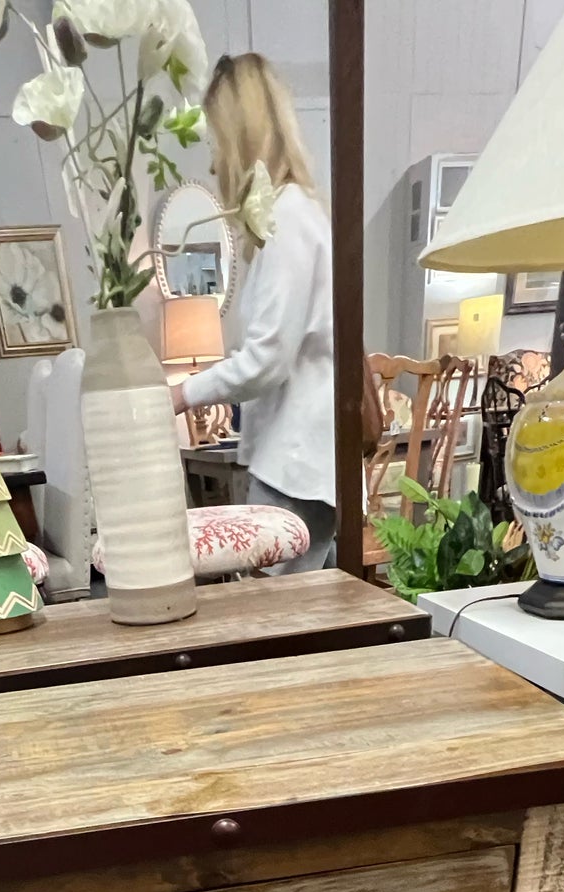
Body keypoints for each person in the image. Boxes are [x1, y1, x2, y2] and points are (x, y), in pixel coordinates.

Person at [172, 53, 335, 571]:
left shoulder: (286, 215)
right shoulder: (298, 212)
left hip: (294, 462)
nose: (216, 164)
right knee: (292, 620)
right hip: (304, 458)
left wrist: (182, 394)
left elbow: (266, 358)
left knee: (275, 625)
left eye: (217, 143)